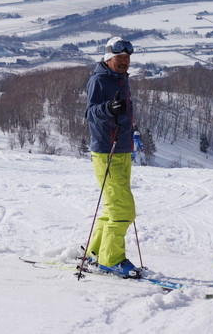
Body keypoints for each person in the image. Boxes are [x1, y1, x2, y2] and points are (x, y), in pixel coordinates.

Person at [84, 37, 141, 278]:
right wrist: (107, 108)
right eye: (120, 58)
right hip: (107, 151)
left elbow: (122, 114)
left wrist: (133, 135)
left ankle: (96, 251)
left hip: (121, 150)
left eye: (127, 58)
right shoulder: (99, 80)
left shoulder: (120, 79)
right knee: (123, 210)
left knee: (111, 207)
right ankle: (112, 259)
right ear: (109, 58)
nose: (124, 62)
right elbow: (90, 113)